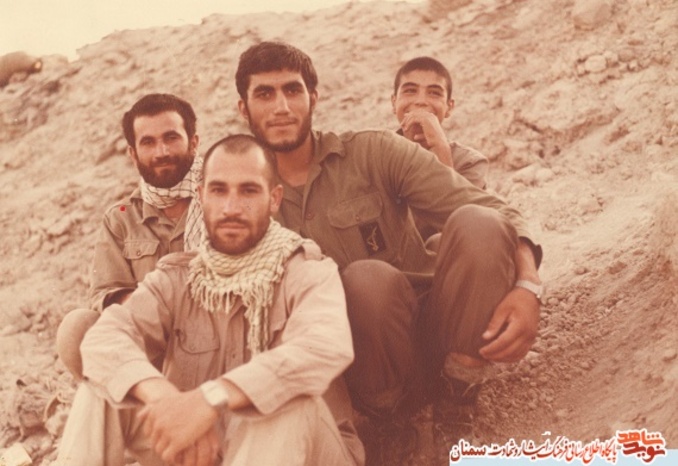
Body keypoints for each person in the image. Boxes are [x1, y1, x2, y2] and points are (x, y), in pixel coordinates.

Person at [234, 41, 543, 462]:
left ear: (314, 98)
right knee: (366, 280)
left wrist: (528, 285)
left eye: (292, 90)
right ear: (243, 108)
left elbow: (493, 209)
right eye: (265, 94)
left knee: (480, 222)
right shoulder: (241, 199)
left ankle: (458, 401)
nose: (282, 106)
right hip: (360, 371)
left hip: (438, 334)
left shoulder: (372, 152)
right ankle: (389, 422)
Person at [56, 134, 364, 466]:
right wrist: (165, 398)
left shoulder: (307, 270)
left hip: (304, 450)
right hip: (206, 449)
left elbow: (325, 347)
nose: (231, 208)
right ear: (201, 196)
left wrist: (211, 398)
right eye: (219, 191)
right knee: (104, 388)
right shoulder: (179, 277)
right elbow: (105, 338)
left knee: (284, 404)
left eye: (248, 191)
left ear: (274, 199)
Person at [56, 93, 203, 379]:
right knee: (77, 328)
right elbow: (106, 293)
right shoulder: (121, 218)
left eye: (171, 138)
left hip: (220, 337)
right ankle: (137, 399)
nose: (161, 152)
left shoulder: (224, 197)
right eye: (148, 142)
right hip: (154, 347)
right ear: (133, 154)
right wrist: (160, 308)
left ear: (193, 142)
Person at [391, 56, 489, 243]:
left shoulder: (469, 163)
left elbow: (463, 229)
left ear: (449, 107)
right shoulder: (376, 154)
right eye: (410, 91)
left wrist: (440, 147)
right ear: (394, 103)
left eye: (434, 93)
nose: (421, 101)